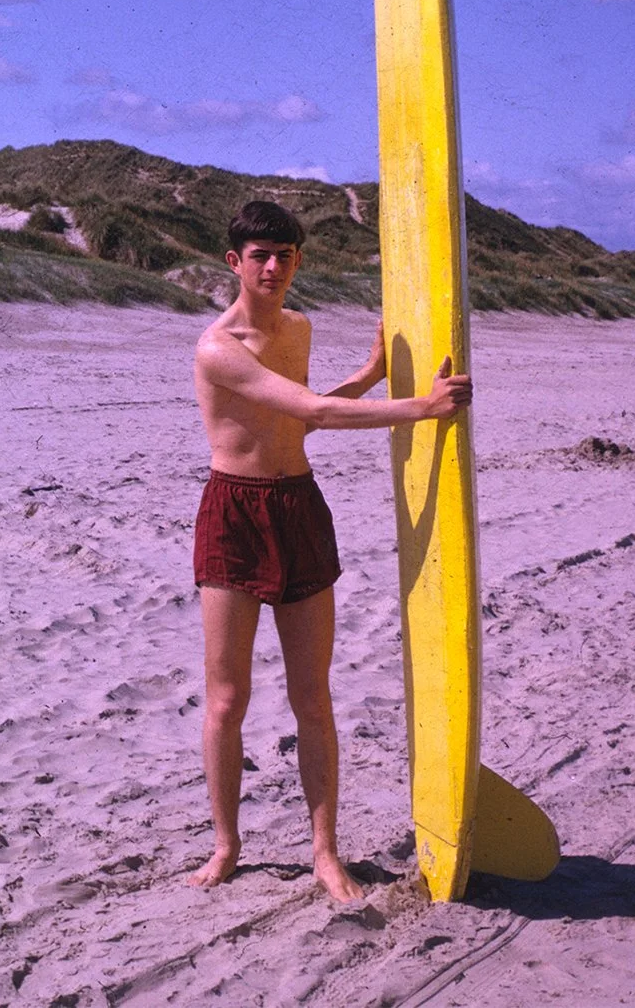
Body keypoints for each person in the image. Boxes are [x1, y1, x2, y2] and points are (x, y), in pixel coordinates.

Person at [186, 199, 473, 902]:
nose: (273, 268)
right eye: (260, 256)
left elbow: (297, 419)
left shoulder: (299, 328)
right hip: (233, 512)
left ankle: (324, 853)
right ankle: (226, 846)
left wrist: (371, 375)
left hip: (298, 507)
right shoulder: (217, 347)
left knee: (311, 696)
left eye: (285, 255)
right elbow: (313, 410)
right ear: (234, 262)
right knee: (227, 698)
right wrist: (421, 408)